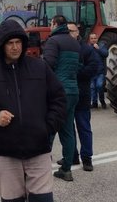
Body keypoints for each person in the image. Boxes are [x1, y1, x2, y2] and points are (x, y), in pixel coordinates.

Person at [0, 18, 66, 202]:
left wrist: (47, 127)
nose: (15, 47)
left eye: (18, 42)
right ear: (1, 45)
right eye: (10, 43)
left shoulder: (39, 68)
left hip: (38, 152)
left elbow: (58, 98)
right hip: (6, 154)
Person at [42, 15, 81, 182]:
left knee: (48, 129)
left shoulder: (53, 41)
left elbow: (48, 64)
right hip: (73, 91)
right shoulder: (75, 43)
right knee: (67, 131)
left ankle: (42, 168)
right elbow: (79, 66)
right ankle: (66, 169)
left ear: (55, 24)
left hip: (57, 92)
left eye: (51, 23)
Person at [71, 22, 102, 172]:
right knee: (68, 129)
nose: (69, 33)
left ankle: (87, 158)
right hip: (66, 95)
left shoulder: (86, 49)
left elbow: (94, 67)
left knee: (84, 127)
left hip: (82, 93)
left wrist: (76, 72)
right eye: (67, 31)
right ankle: (72, 156)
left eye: (72, 30)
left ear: (78, 32)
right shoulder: (62, 48)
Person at [89, 33, 108, 109]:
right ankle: (94, 103)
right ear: (90, 40)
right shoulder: (88, 48)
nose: (93, 40)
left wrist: (98, 49)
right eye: (92, 38)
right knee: (92, 88)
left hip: (100, 72)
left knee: (99, 86)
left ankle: (102, 101)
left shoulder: (101, 45)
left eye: (95, 38)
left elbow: (105, 54)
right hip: (91, 72)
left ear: (97, 39)